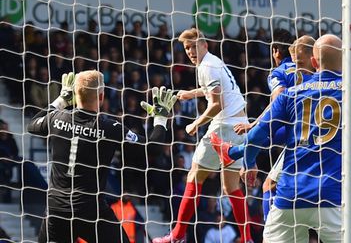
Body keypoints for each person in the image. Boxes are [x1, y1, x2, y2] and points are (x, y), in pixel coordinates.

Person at [214, 34, 351, 243]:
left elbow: (257, 136)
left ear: (313, 62)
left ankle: (231, 152)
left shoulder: (290, 94)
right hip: (334, 198)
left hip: (289, 197)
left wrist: (248, 162)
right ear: (346, 62)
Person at [29, 71, 173, 243]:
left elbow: (33, 125)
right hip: (90, 211)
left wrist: (61, 100)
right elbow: (153, 148)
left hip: (57, 209)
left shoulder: (56, 118)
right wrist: (161, 118)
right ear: (102, 96)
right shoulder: (110, 128)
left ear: (75, 94)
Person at [153, 28, 251, 243]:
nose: (190, 51)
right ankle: (247, 238)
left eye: (193, 46)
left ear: (204, 44)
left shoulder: (207, 67)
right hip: (240, 125)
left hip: (223, 126)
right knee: (231, 186)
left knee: (194, 176)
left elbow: (217, 105)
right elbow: (215, 91)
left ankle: (177, 235)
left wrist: (195, 124)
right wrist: (192, 93)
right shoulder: (213, 62)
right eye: (186, 48)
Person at [238, 35, 315, 225]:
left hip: (299, 135)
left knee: (269, 184)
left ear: (275, 52)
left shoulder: (278, 72)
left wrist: (254, 124)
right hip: (324, 136)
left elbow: (277, 99)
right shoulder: (323, 73)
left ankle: (234, 152)